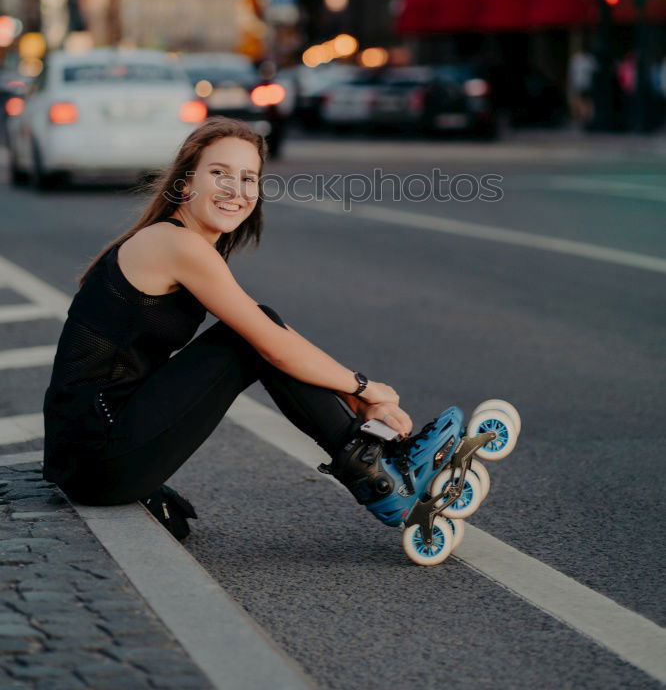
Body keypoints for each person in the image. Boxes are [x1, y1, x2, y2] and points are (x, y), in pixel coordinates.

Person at [42, 116, 426, 523]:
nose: (235, 190)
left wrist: (355, 396)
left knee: (257, 329)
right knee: (251, 340)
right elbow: (271, 345)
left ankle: (374, 463)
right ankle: (377, 476)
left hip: (97, 448)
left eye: (247, 178)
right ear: (185, 183)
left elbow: (273, 333)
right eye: (219, 173)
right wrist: (367, 388)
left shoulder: (180, 241)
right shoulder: (173, 244)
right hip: (94, 459)